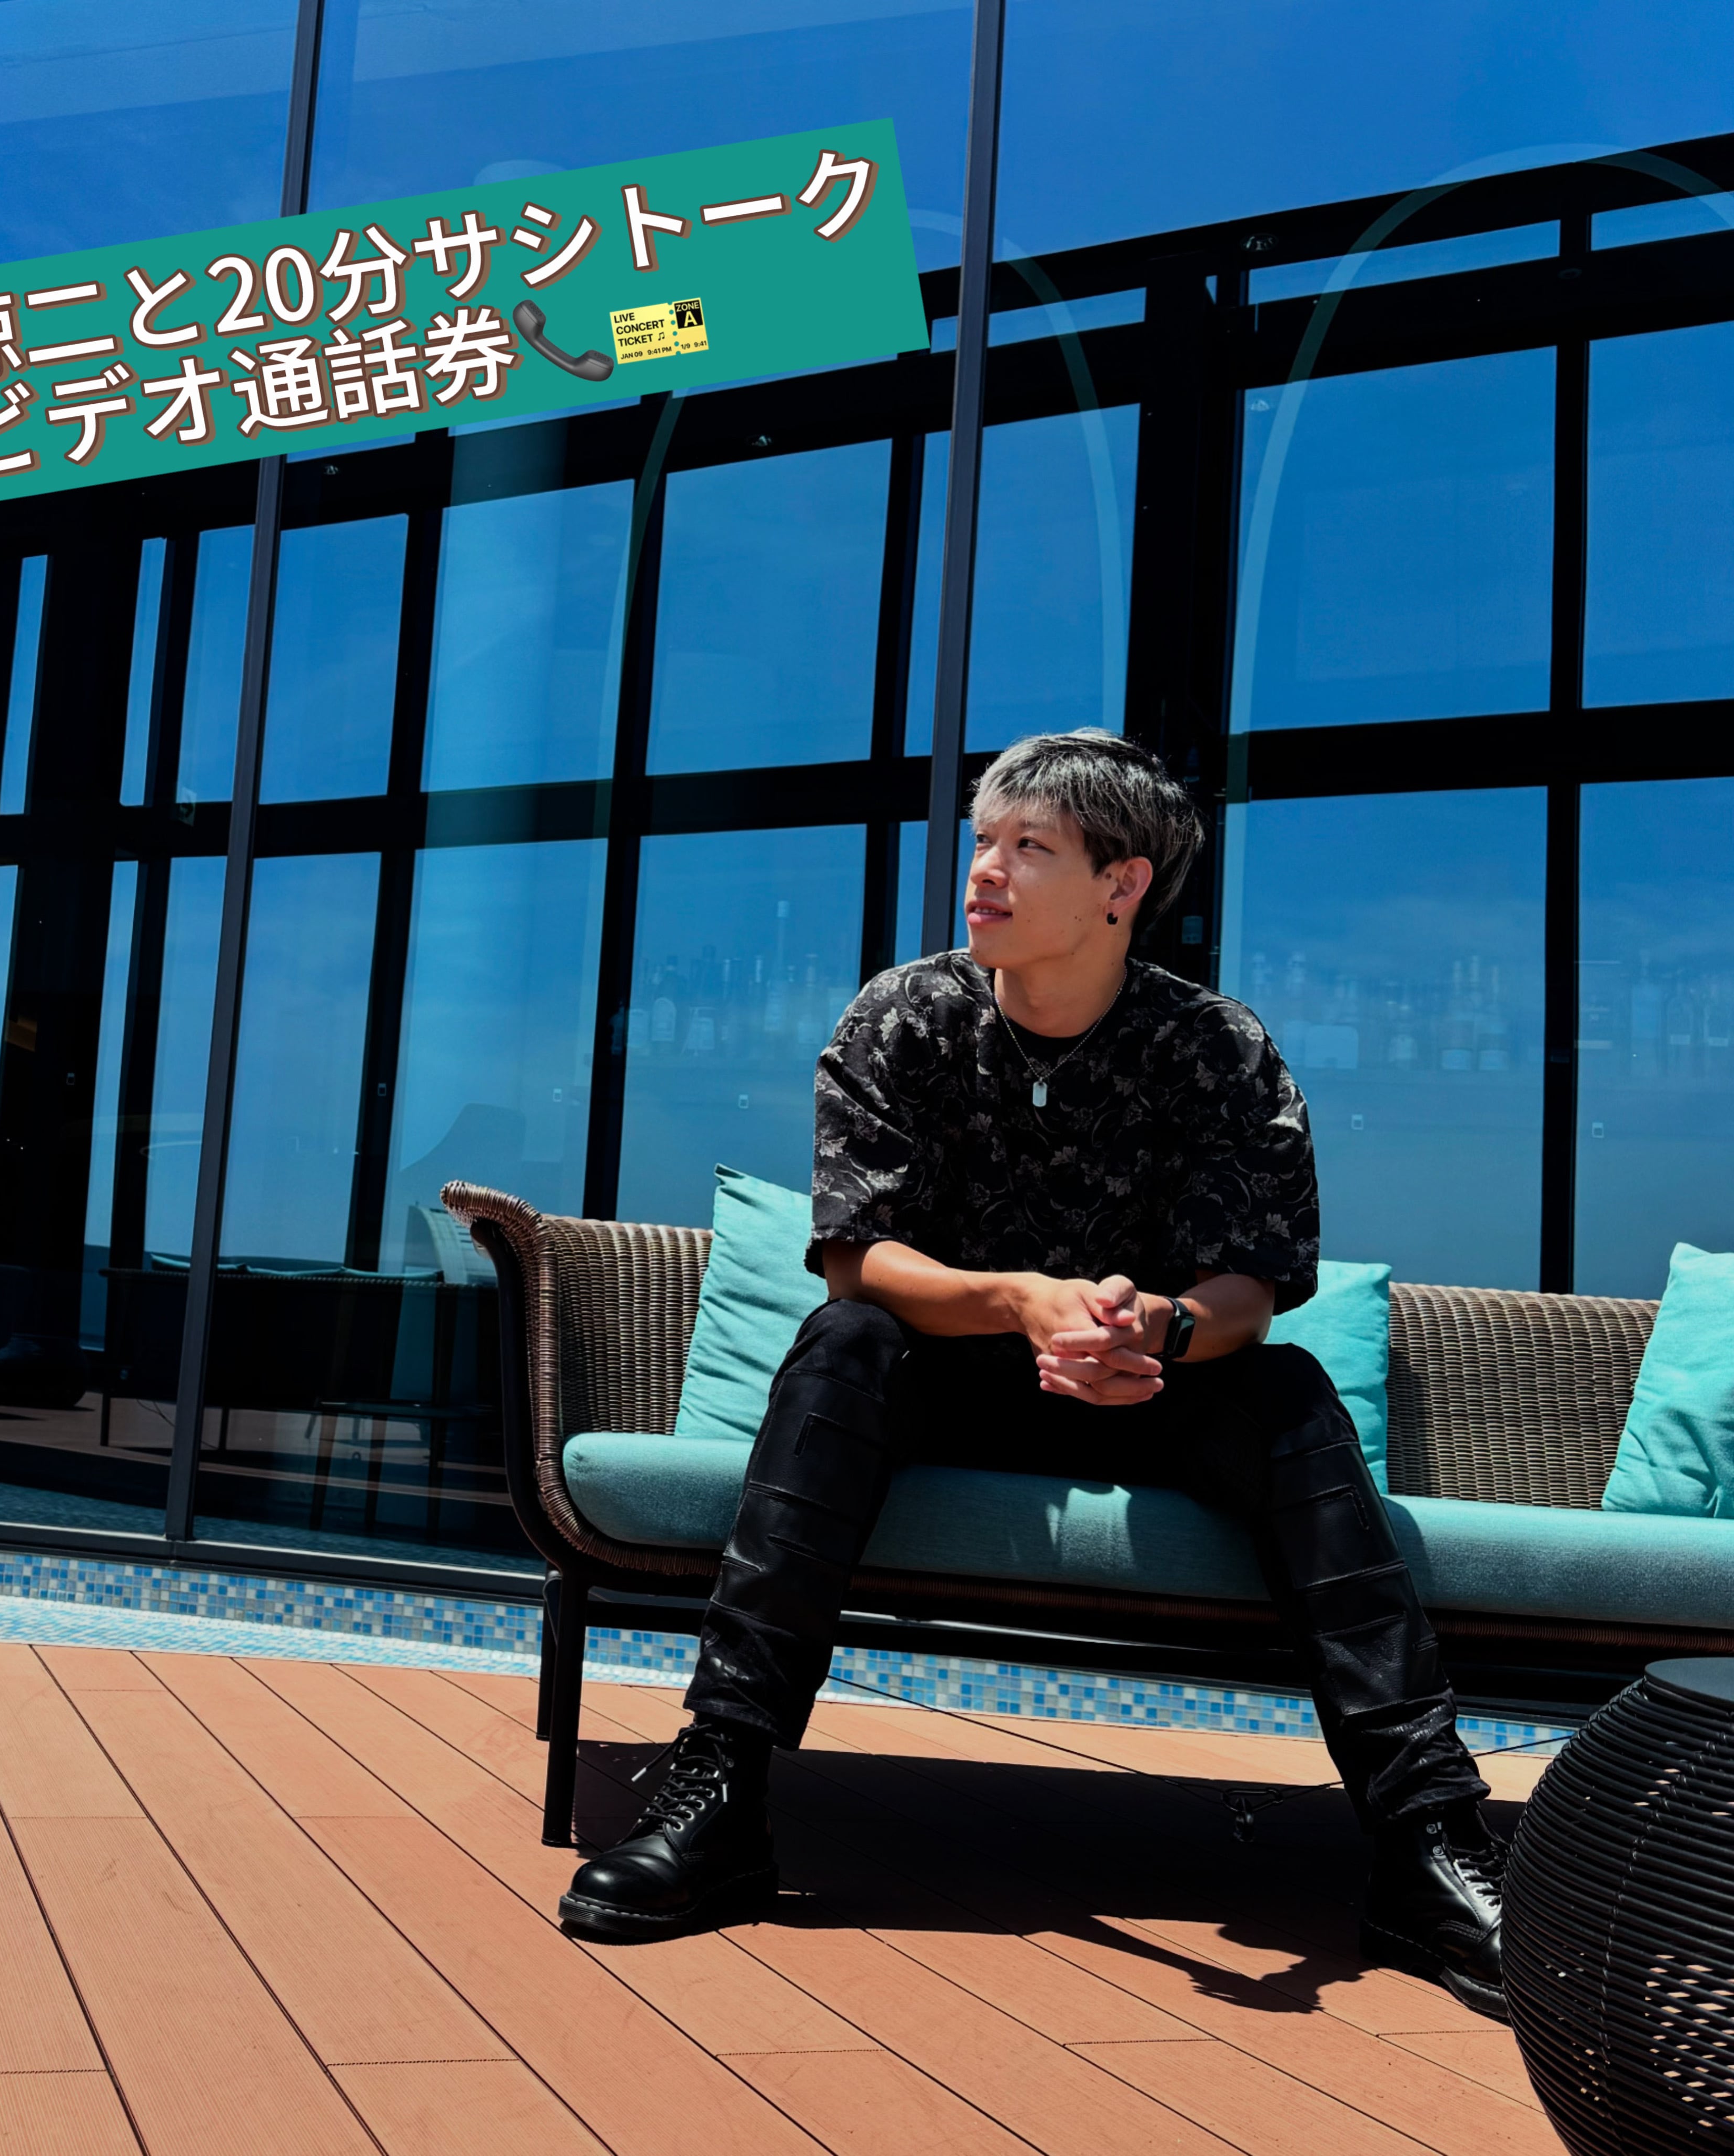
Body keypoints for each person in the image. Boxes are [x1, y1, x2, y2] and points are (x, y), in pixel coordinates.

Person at [557, 731, 1508, 2022]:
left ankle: (1423, 1842)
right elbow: (857, 1260)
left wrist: (1160, 1329)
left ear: (1121, 885)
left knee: (1285, 1390)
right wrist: (1016, 1300)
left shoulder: (1216, 1047)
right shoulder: (903, 1015)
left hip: (1142, 1390)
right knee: (841, 1344)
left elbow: (1250, 1285)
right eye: (982, 842)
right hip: (945, 1381)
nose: (984, 872)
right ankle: (719, 1787)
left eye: (1028, 847)